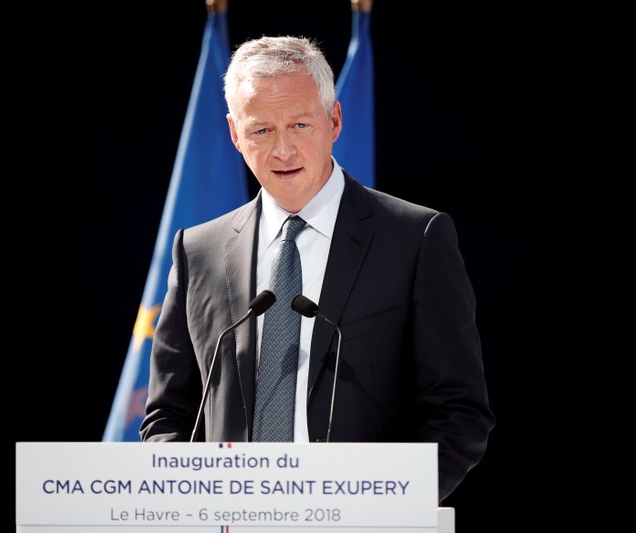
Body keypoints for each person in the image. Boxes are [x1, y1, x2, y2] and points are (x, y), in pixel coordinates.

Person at [139, 35, 494, 503]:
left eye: (300, 125)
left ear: (334, 120)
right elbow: (167, 416)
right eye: (261, 130)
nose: (283, 150)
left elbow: (459, 413)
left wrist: (387, 503)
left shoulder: (415, 238)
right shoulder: (198, 250)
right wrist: (196, 500)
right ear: (234, 133)